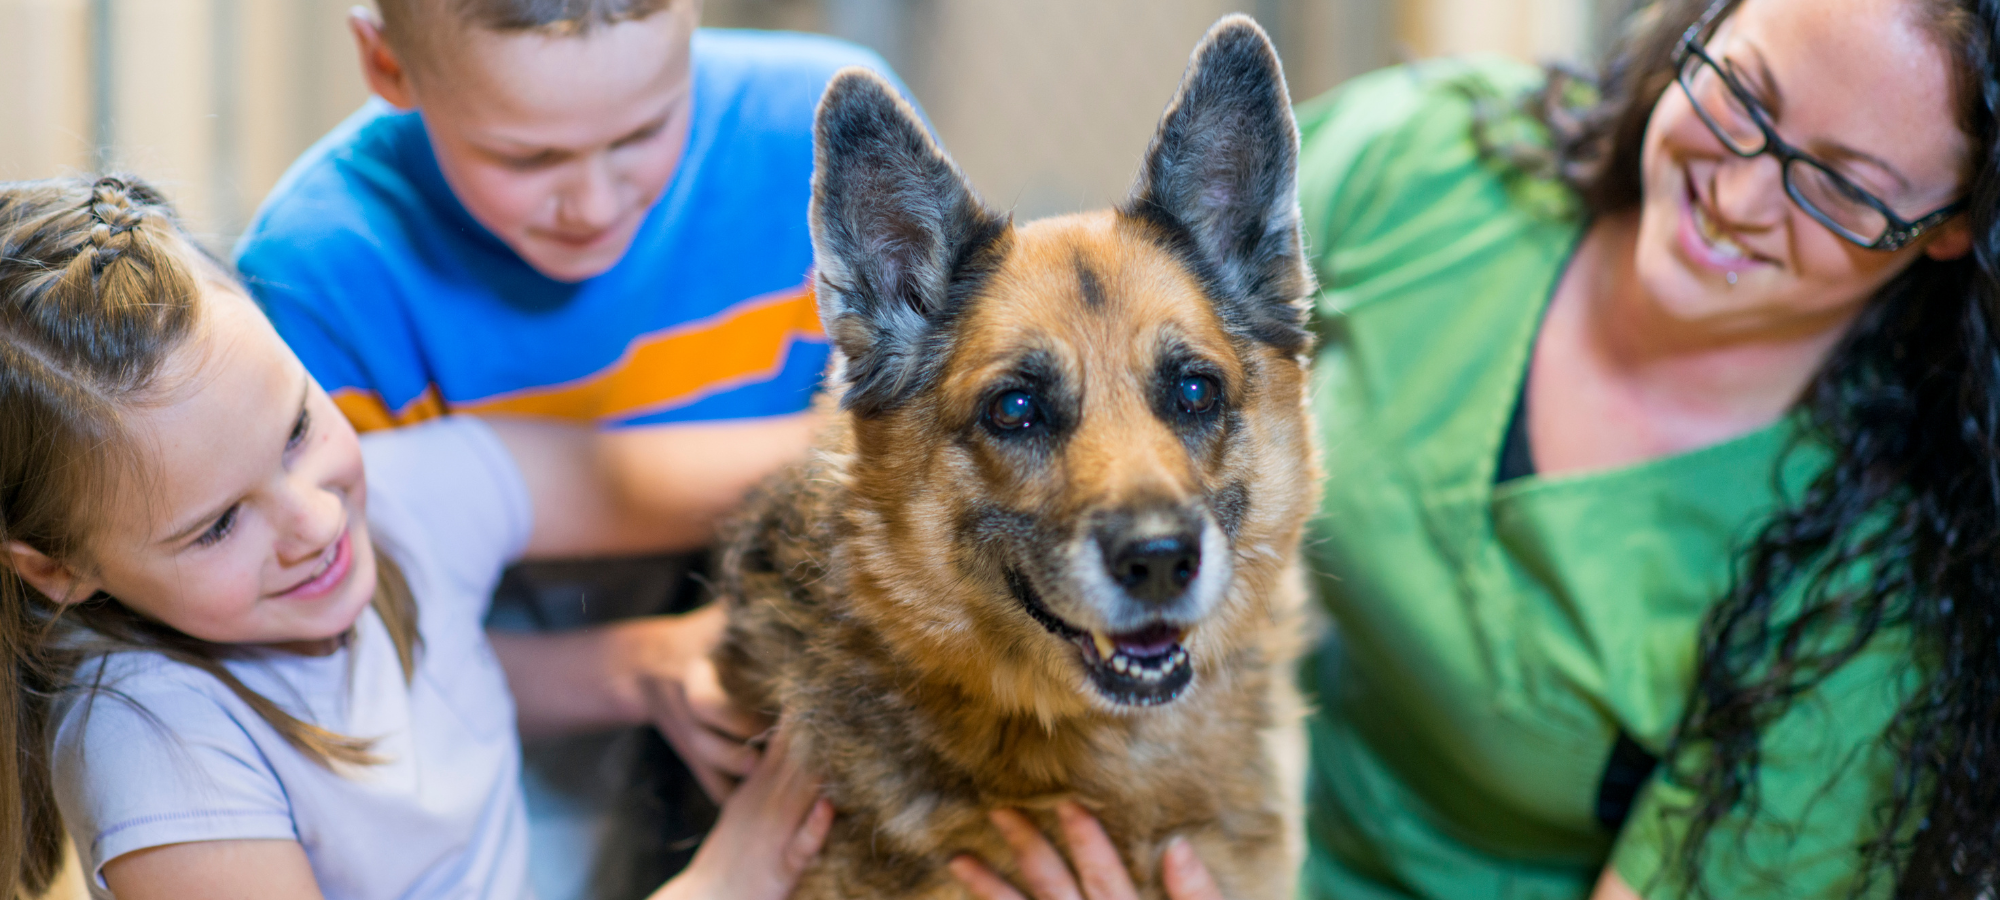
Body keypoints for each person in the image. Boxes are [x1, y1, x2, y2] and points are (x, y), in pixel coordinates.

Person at [954, 0, 2000, 898]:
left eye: (1837, 187)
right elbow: (1040, 366)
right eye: (1745, 95)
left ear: (1950, 227)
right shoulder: (1430, 167)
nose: (1736, 194)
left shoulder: (1866, 610)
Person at [0, 175, 834, 899]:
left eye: (295, 428)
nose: (316, 519)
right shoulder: (153, 746)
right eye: (218, 525)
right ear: (56, 567)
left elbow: (793, 459)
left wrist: (645, 668)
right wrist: (729, 880)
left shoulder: (413, 497)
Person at [231, 1, 907, 892]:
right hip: (480, 701)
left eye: (644, 130)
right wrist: (639, 668)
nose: (592, 203)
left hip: (776, 659)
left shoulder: (828, 137)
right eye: (527, 156)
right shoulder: (316, 273)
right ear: (386, 61)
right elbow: (333, 640)